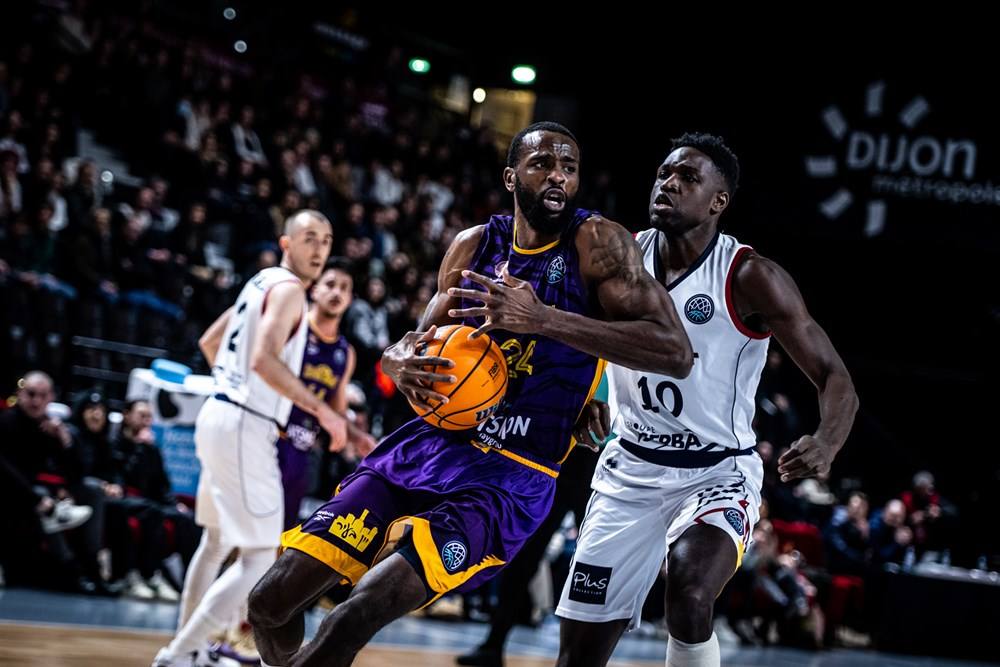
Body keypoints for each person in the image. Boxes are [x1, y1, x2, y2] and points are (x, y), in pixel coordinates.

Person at [248, 121, 693, 667]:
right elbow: (415, 342)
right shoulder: (473, 245)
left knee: (352, 614)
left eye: (569, 167)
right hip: (428, 447)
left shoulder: (596, 243)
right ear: (511, 176)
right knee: (268, 602)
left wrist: (544, 319)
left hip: (510, 472)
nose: (557, 175)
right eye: (541, 164)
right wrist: (395, 358)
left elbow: (674, 350)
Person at [556, 132, 859, 667]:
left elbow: (836, 377)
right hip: (629, 467)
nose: (668, 183)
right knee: (580, 651)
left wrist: (827, 440)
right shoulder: (617, 256)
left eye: (688, 178)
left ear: (719, 201)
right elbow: (585, 337)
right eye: (664, 174)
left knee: (690, 592)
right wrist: (592, 393)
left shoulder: (749, 276)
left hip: (717, 471)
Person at [153, 210, 347, 667]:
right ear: (286, 242)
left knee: (216, 541)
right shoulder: (289, 290)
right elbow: (263, 361)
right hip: (244, 422)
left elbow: (209, 342)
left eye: (326, 240)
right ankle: (177, 655)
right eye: (309, 238)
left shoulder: (259, 282)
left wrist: (232, 381)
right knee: (260, 558)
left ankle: (194, 648)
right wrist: (325, 414)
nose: (319, 249)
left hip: (219, 413)